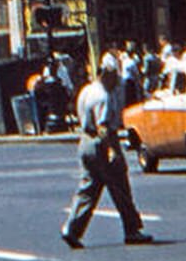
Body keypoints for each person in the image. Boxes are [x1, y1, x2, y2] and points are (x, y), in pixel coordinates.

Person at [61, 55, 153, 249]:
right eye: (114, 77)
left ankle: (72, 228)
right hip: (102, 143)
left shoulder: (87, 90)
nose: (117, 82)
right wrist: (113, 151)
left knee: (88, 189)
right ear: (107, 75)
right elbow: (103, 127)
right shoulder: (103, 96)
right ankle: (132, 230)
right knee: (121, 187)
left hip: (85, 141)